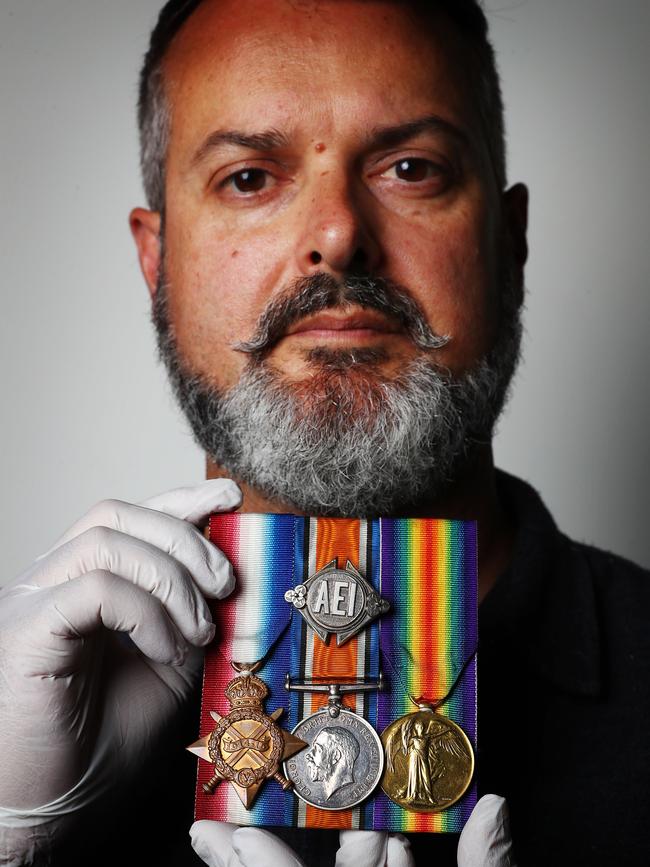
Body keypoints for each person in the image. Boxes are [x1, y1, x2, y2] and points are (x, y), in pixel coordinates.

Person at [0, 1, 648, 865]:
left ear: (511, 240)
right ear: (156, 262)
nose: (338, 236)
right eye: (249, 178)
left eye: (410, 167)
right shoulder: (35, 724)